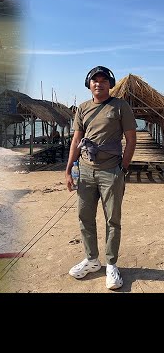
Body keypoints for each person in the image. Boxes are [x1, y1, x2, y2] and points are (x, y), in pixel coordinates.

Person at [65, 65, 137, 290]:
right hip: (86, 171)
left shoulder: (120, 106)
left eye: (103, 80)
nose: (99, 83)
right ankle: (92, 259)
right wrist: (68, 170)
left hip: (111, 171)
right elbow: (76, 141)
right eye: (95, 80)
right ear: (89, 84)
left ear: (110, 83)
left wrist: (122, 168)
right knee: (84, 216)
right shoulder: (83, 108)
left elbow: (131, 139)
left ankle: (112, 264)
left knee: (112, 219)